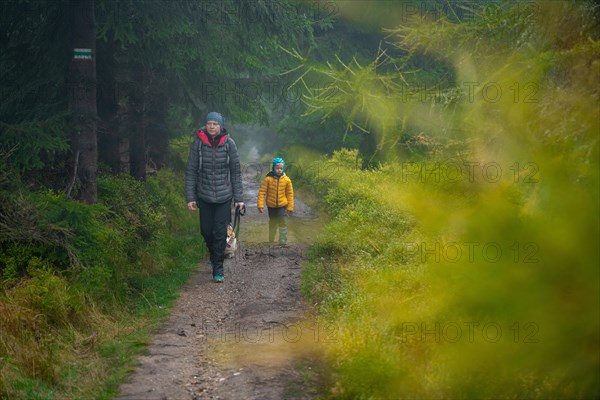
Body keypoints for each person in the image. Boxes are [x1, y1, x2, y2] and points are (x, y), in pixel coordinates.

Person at [185, 112, 244, 283]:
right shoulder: (198, 144)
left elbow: (236, 172)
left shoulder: (229, 144)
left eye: (215, 124)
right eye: (209, 123)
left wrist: (239, 199)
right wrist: (190, 197)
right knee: (205, 231)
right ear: (206, 125)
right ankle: (214, 254)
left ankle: (218, 268)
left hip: (224, 196)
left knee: (219, 233)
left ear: (220, 126)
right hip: (204, 195)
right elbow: (191, 172)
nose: (212, 126)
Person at [257, 157, 294, 245]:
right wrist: (260, 205)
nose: (279, 170)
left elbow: (290, 194)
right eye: (277, 168)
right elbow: (262, 192)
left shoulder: (287, 180)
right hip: (271, 206)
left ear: (283, 169)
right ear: (273, 168)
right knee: (273, 222)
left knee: (282, 220)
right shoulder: (268, 179)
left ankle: (282, 240)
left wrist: (290, 206)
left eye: (281, 168)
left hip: (282, 205)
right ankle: (271, 239)